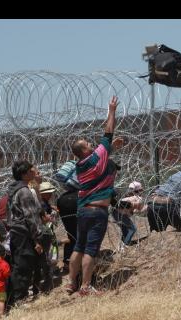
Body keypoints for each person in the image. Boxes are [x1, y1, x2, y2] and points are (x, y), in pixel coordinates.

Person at [65, 95, 119, 296]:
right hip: (97, 212)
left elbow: (107, 147)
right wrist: (111, 111)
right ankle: (86, 286)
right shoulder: (97, 156)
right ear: (85, 150)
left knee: (78, 247)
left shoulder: (80, 165)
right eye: (88, 144)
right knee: (91, 250)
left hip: (83, 210)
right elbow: (109, 132)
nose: (91, 144)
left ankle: (71, 283)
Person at [6, 160, 44, 305]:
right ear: (24, 174)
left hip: (16, 232)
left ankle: (16, 298)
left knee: (19, 264)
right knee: (24, 265)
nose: (34, 171)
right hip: (24, 232)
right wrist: (37, 238)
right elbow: (31, 216)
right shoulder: (24, 191)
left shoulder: (13, 189)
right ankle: (19, 300)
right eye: (31, 170)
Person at [111, 181, 147, 249]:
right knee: (132, 229)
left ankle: (122, 244)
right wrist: (149, 207)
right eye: (141, 190)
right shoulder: (138, 198)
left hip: (115, 213)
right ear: (139, 191)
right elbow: (140, 210)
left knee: (125, 230)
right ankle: (125, 244)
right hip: (121, 215)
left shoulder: (127, 197)